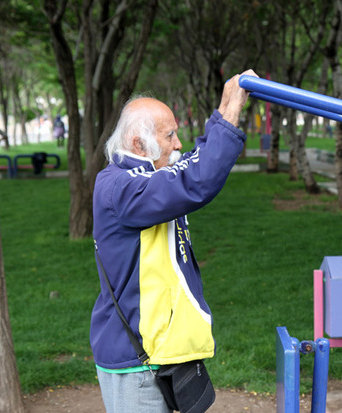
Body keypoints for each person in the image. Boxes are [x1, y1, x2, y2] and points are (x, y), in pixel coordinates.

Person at [90, 69, 258, 413]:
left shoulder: (142, 177)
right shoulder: (121, 188)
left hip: (155, 354)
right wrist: (229, 116)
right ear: (139, 142)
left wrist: (223, 111)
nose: (178, 143)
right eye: (171, 136)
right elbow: (195, 181)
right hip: (136, 362)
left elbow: (190, 167)